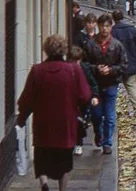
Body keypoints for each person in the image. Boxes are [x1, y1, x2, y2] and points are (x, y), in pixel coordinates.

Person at [17, 35, 91, 191]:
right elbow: (85, 95)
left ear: (46, 50)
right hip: (65, 124)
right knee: (64, 161)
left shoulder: (37, 71)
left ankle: (44, 183)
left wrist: (22, 118)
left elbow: (26, 98)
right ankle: (62, 189)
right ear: (64, 50)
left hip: (43, 125)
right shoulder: (73, 70)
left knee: (42, 158)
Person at [85, 14, 128, 155]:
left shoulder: (117, 45)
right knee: (96, 115)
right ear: (98, 26)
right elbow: (84, 64)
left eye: (107, 26)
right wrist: (96, 69)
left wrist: (111, 70)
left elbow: (123, 65)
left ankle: (107, 143)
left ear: (111, 27)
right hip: (95, 86)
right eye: (102, 26)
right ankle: (99, 133)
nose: (104, 29)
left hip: (111, 84)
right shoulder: (90, 45)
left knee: (109, 116)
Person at [111, 10, 136, 117]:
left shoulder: (113, 31)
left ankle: (115, 108)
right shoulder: (131, 29)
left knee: (114, 87)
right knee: (132, 87)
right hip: (132, 63)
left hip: (117, 65)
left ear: (113, 19)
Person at [67, 45, 100, 156]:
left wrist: (94, 96)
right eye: (73, 60)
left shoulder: (85, 68)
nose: (75, 63)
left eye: (77, 60)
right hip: (69, 100)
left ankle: (78, 143)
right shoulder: (66, 69)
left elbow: (92, 83)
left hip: (82, 101)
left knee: (80, 122)